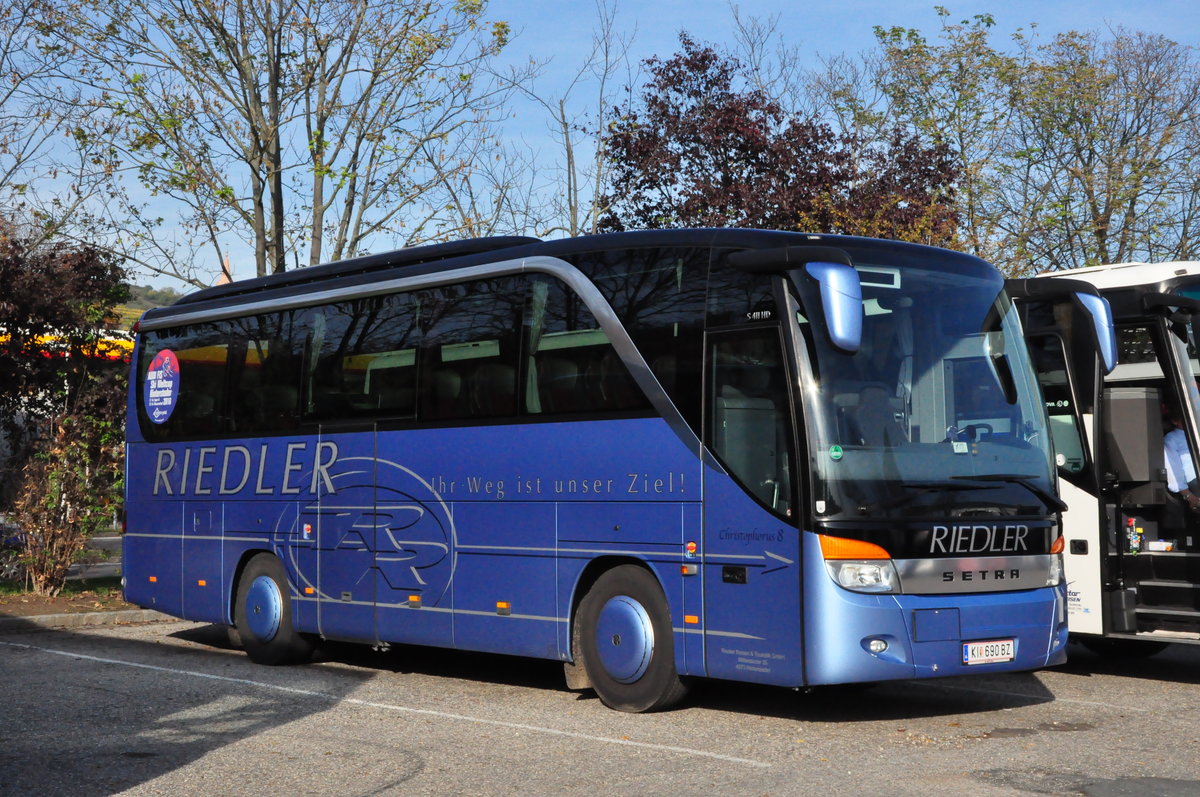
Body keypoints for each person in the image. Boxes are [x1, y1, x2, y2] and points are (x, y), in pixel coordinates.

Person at [1164, 406, 1200, 514]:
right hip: (1194, 481)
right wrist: (1189, 496)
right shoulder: (1171, 439)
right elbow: (1173, 469)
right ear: (1175, 421)